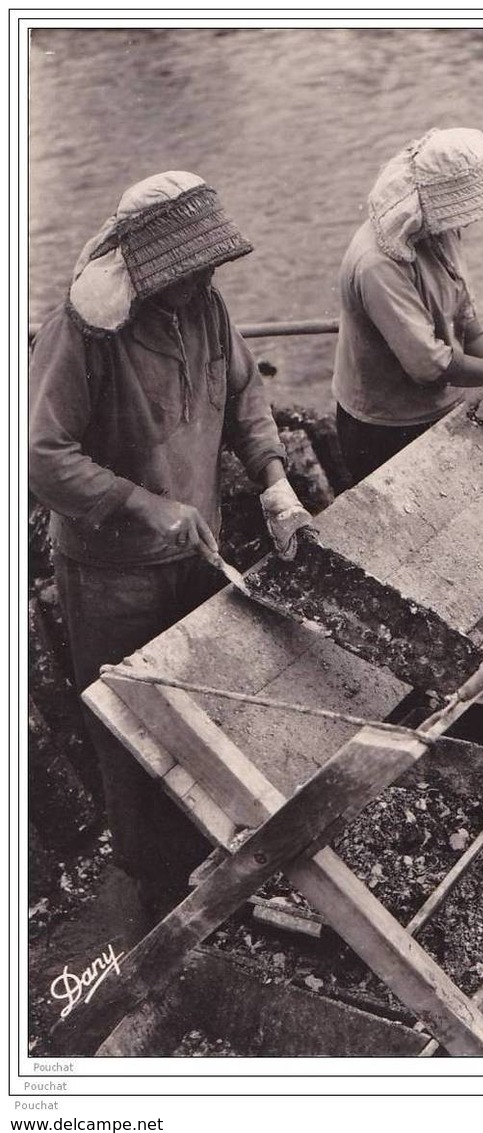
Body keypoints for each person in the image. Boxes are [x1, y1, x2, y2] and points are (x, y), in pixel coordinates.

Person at [29, 171, 313, 922]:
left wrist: (275, 480)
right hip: (111, 569)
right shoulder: (86, 333)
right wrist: (142, 505)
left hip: (197, 549)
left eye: (210, 265)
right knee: (130, 726)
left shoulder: (207, 309)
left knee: (202, 707)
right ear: (150, 267)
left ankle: (213, 860)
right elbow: (42, 453)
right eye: (192, 268)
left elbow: (246, 395)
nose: (208, 276)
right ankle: (154, 895)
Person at [332, 127, 483, 482]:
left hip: (441, 404)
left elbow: (465, 319)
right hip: (384, 425)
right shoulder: (378, 265)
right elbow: (431, 368)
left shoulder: (440, 231)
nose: (471, 219)